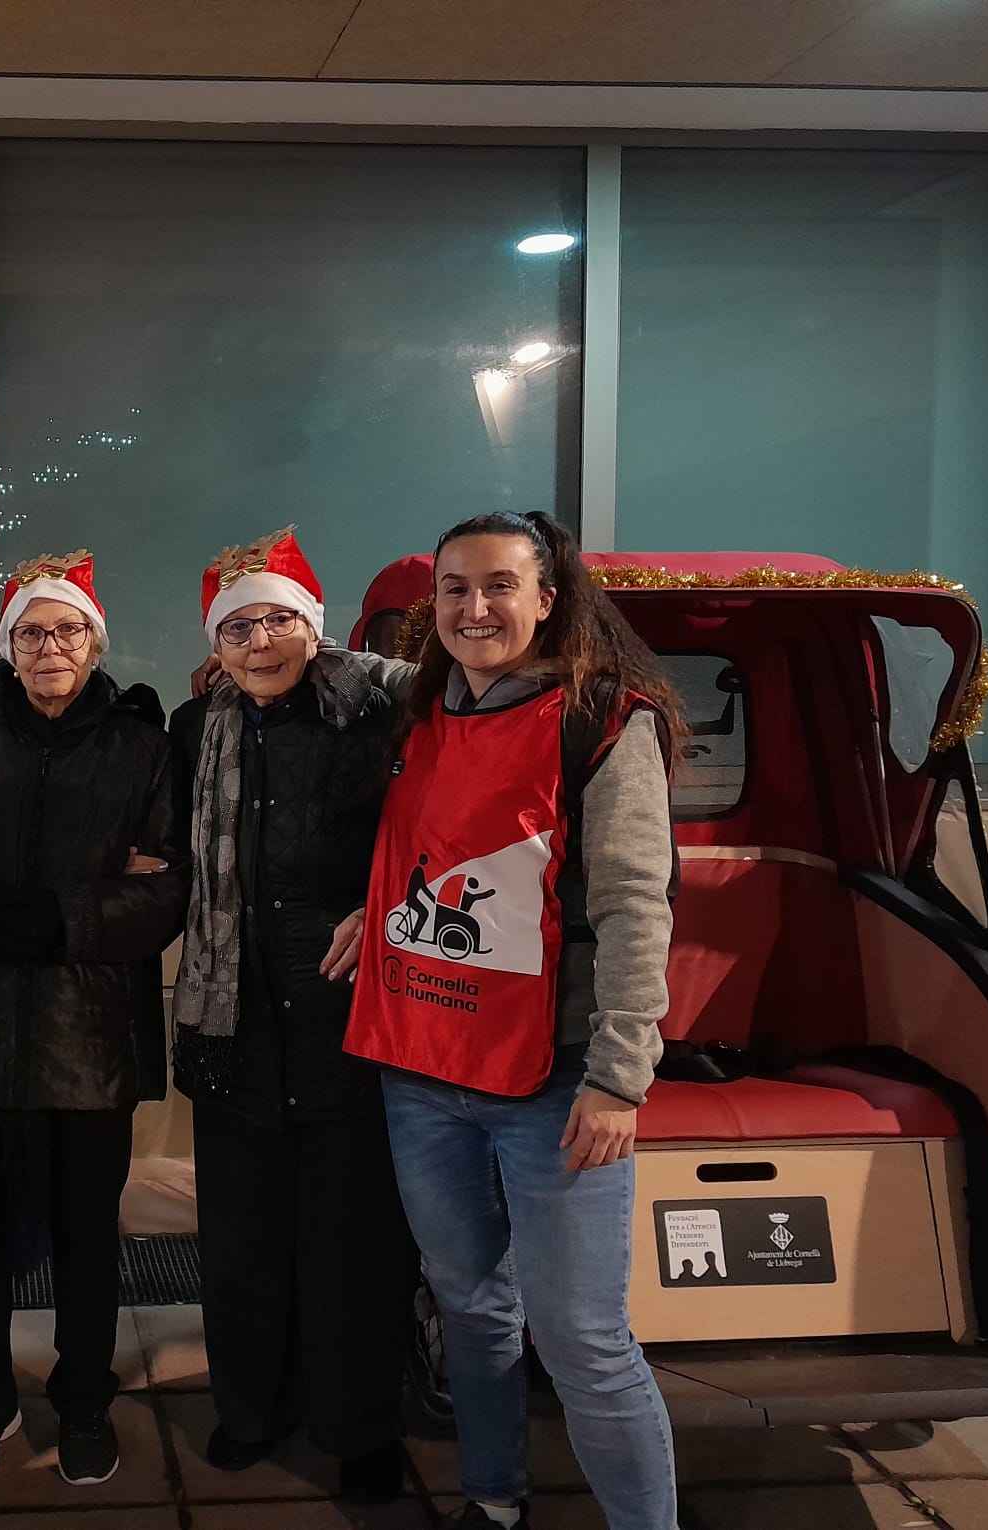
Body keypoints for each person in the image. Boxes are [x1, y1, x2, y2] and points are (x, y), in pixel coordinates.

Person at [330, 510, 684, 1530]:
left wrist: (622, 1076)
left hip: (557, 1083)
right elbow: (445, 853)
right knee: (472, 1306)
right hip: (425, 1068)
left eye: (497, 586)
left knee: (583, 1339)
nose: (473, 607)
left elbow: (632, 904)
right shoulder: (422, 715)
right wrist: (384, 914)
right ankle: (494, 1498)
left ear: (548, 597)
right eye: (453, 588)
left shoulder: (606, 721)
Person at [0, 551, 188, 1490]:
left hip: (89, 1034)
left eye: (66, 631)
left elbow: (170, 889)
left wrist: (59, 919)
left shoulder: (143, 748)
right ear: (7, 648)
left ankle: (86, 1397)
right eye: (30, 632)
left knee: (91, 1232)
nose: (48, 647)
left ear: (94, 642)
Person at [168, 527, 419, 1503]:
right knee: (242, 1243)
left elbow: (441, 822)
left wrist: (389, 899)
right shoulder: (197, 730)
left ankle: (359, 1428)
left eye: (279, 618)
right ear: (216, 643)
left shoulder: (379, 711)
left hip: (350, 1013)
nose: (259, 639)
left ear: (314, 626)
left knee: (355, 1244)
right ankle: (249, 1410)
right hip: (231, 1025)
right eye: (238, 625)